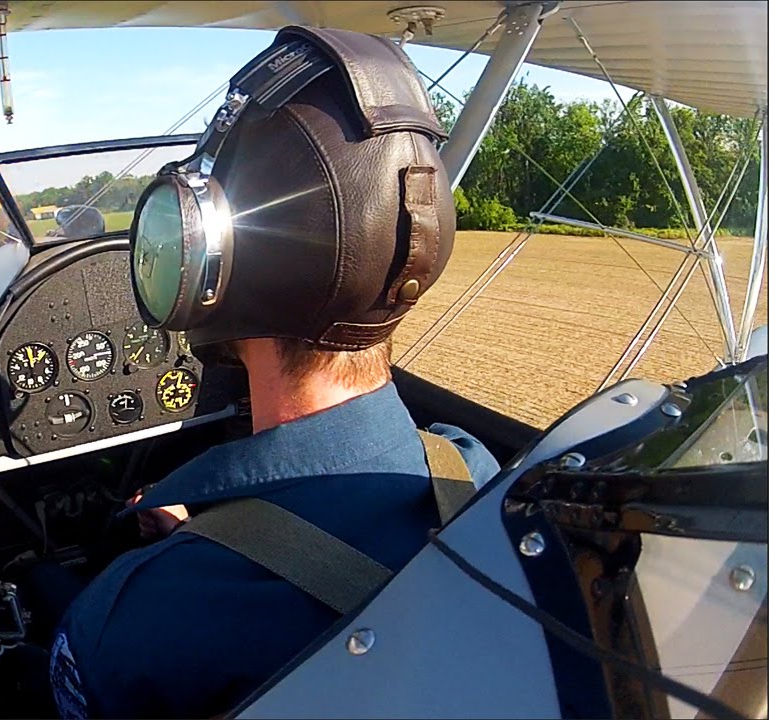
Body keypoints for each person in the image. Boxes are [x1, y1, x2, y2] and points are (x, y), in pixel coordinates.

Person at [46, 26, 502, 719]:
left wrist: (182, 568)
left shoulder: (136, 622)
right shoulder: (474, 474)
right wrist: (214, 541)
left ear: (209, 265)